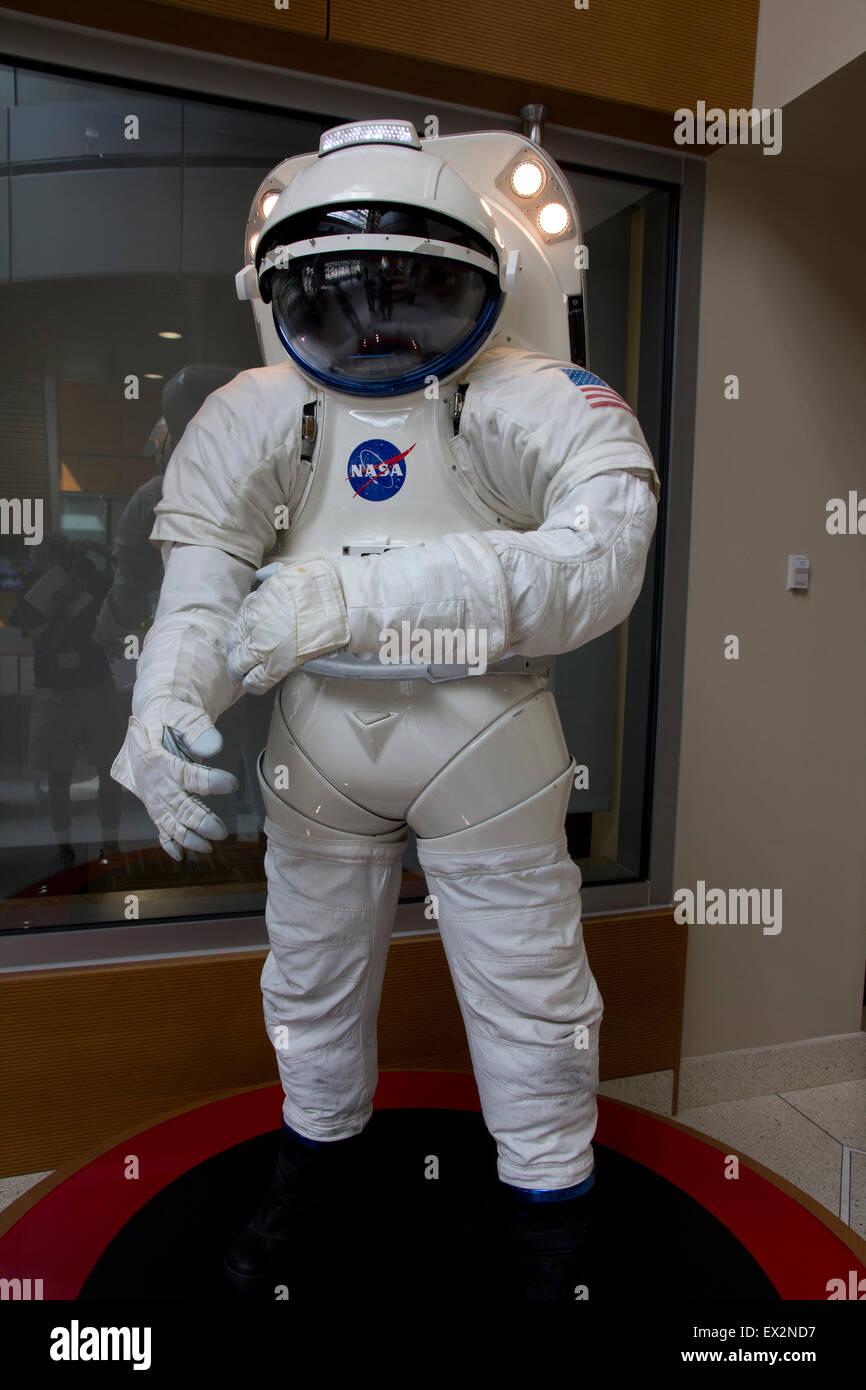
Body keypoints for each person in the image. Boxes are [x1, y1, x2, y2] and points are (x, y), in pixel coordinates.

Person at [111, 119, 661, 1300]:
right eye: (338, 299)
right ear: (281, 298)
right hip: (329, 751)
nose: (373, 327)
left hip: (485, 738)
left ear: (482, 284)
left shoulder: (523, 396)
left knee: (526, 994)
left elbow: (599, 561)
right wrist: (160, 718)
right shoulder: (261, 413)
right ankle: (313, 1175)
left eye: (408, 292)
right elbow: (201, 592)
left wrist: (346, 594)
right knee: (307, 981)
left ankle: (551, 1221)